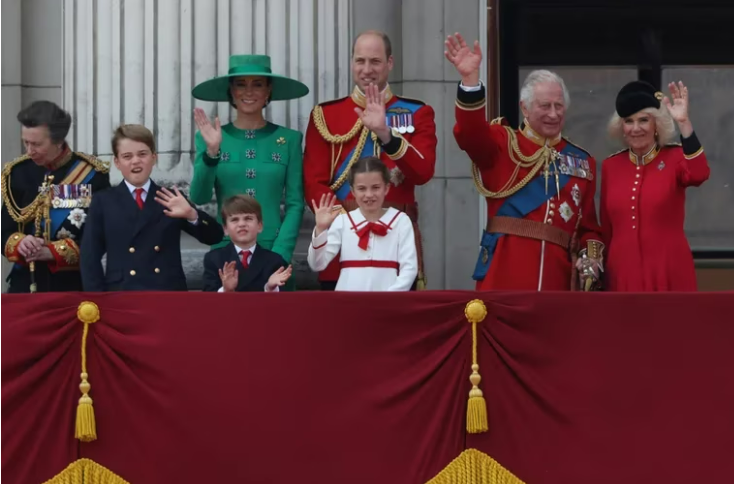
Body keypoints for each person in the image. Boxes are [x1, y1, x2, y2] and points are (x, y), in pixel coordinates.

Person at [445, 33, 603, 291]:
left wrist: (591, 257)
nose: (553, 114)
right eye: (544, 106)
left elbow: (588, 228)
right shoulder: (502, 143)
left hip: (557, 282)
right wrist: (470, 82)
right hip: (504, 277)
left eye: (559, 106)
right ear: (525, 108)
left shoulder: (582, 161)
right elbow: (469, 133)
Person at [303, 30, 437, 290]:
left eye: (375, 61)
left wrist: (387, 135)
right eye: (360, 61)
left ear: (389, 63)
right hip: (341, 245)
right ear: (352, 63)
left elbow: (423, 172)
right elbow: (313, 184)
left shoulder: (417, 112)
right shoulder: (326, 115)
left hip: (397, 242)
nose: (367, 69)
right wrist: (352, 224)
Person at [190, 54, 307, 289]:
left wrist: (280, 254)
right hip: (225, 254)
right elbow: (199, 197)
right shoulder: (210, 138)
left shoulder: (290, 140)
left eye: (258, 84)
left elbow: (295, 203)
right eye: (241, 84)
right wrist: (212, 152)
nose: (249, 92)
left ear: (268, 91)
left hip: (274, 253)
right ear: (231, 91)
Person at [81, 124, 223, 291]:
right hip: (122, 294)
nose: (135, 161)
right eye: (127, 156)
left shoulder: (171, 197)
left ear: (154, 157)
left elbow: (215, 237)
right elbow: (89, 257)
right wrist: (97, 301)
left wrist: (191, 214)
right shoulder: (103, 201)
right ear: (117, 162)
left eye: (142, 154)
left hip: (166, 294)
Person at [600, 80, 710, 291]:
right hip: (622, 273)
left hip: (668, 269)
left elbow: (700, 174)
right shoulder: (611, 166)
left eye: (644, 120)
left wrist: (684, 122)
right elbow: (606, 228)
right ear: (621, 127)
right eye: (629, 121)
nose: (636, 128)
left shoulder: (675, 157)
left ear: (656, 125)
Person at [1, 101, 110, 293]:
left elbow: (101, 236)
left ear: (58, 141)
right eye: (25, 142)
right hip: (25, 285)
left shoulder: (92, 175)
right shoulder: (18, 172)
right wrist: (20, 243)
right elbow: (4, 229)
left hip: (73, 286)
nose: (29, 151)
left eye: (36, 144)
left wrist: (52, 252)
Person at [307, 157, 417, 291]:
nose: (369, 194)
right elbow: (317, 265)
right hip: (348, 303)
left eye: (376, 187)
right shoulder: (343, 221)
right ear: (353, 191)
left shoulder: (401, 221)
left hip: (388, 303)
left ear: (386, 188)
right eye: (362, 189)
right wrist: (320, 229)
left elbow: (409, 269)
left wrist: (389, 298)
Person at [202, 194, 292, 292]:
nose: (242, 224)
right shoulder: (214, 259)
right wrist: (226, 290)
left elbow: (282, 303)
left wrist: (270, 287)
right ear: (226, 229)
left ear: (260, 226)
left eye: (248, 218)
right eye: (235, 219)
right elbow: (208, 300)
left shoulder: (274, 261)